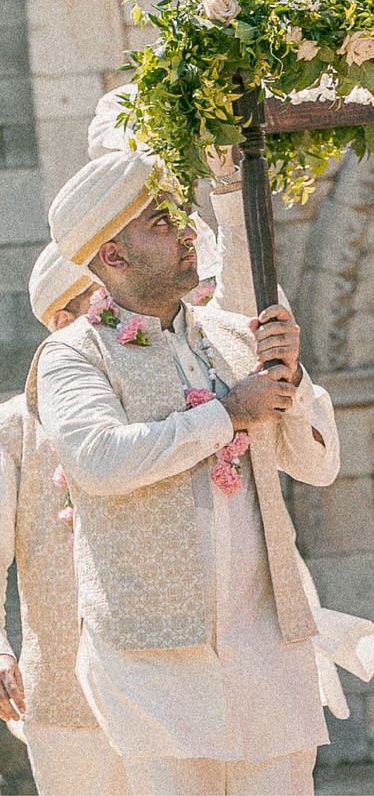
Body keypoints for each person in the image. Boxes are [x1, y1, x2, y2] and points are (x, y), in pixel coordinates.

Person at [38, 144, 341, 796]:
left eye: (180, 213)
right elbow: (98, 458)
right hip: (155, 665)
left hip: (266, 653)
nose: (183, 231)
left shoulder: (230, 336)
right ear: (112, 257)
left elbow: (316, 462)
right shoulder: (73, 354)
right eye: (159, 222)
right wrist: (226, 414)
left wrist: (295, 372)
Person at [0, 246, 131, 796]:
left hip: (170, 688)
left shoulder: (158, 399)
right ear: (64, 322)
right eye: (109, 310)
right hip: (62, 693)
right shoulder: (15, 425)